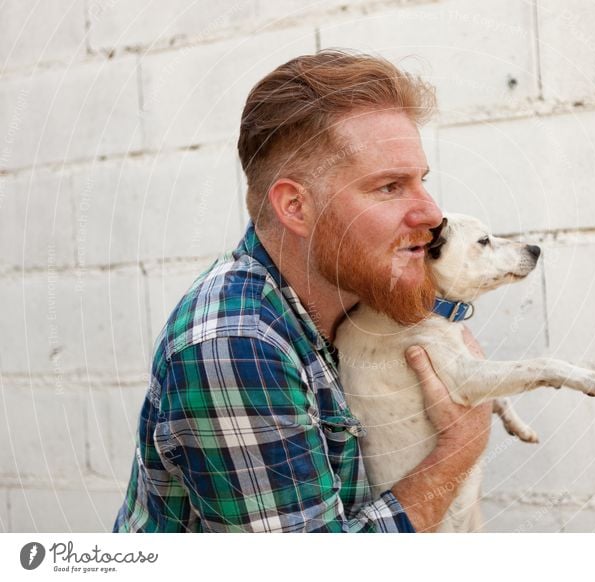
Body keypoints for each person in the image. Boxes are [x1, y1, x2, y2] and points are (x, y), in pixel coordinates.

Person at [113, 49, 492, 533]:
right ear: (295, 206)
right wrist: (457, 448)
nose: (432, 214)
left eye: (421, 181)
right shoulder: (237, 343)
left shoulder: (361, 304)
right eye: (389, 187)